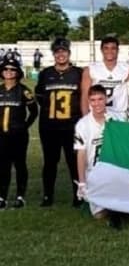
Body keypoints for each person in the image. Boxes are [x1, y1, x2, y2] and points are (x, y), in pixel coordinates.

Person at [35, 38, 84, 207]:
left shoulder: (79, 73)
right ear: (54, 54)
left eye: (64, 51)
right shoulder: (45, 73)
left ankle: (78, 195)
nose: (61, 54)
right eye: (57, 52)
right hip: (50, 126)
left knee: (74, 161)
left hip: (72, 126)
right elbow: (40, 97)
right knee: (50, 161)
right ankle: (48, 195)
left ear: (69, 53)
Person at [75, 85, 120, 227]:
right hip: (94, 173)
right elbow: (81, 154)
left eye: (100, 99)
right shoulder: (83, 124)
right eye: (93, 100)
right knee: (98, 215)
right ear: (89, 101)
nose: (97, 103)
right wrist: (82, 183)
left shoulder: (117, 118)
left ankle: (116, 206)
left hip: (115, 171)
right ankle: (112, 207)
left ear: (106, 99)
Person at [0, 58, 39, 209]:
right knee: (3, 166)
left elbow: (34, 112)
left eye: (12, 69)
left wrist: (24, 126)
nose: (9, 72)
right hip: (1, 136)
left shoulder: (24, 91)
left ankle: (20, 196)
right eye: (6, 69)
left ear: (17, 73)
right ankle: (2, 196)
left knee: (20, 165)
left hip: (18, 136)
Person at [81, 36, 129, 121]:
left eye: (113, 48)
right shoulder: (91, 69)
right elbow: (85, 96)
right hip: (96, 115)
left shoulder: (127, 69)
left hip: (119, 116)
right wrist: (85, 119)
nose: (110, 51)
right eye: (106, 48)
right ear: (101, 50)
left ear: (118, 50)